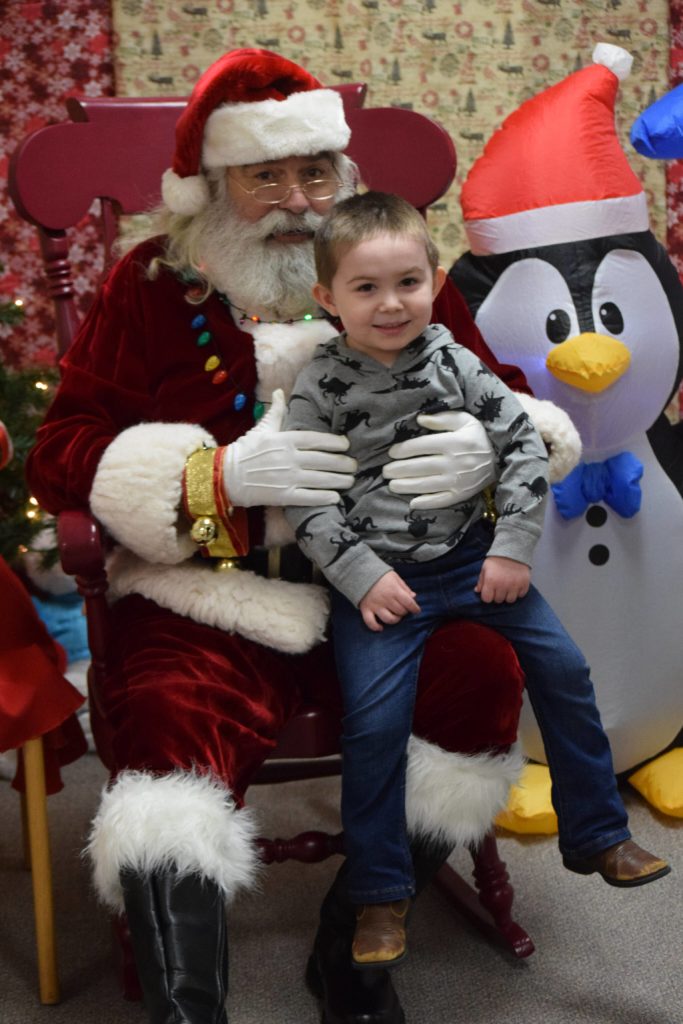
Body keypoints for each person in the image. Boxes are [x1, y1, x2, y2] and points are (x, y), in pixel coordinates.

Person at [20, 47, 640, 1024]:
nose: (296, 200)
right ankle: (189, 1002)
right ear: (211, 184)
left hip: (393, 581)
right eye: (263, 175)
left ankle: (351, 948)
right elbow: (60, 451)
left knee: (481, 676)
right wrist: (210, 478)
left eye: (313, 171)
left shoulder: (383, 266)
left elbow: (505, 394)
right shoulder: (150, 284)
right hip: (212, 591)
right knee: (168, 715)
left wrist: (481, 448)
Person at [284, 191, 671, 970]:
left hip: (474, 563)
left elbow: (525, 448)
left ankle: (596, 834)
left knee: (564, 669)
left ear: (433, 281)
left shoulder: (454, 361)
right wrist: (360, 576)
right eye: (365, 288)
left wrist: (512, 549)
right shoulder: (318, 384)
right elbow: (304, 493)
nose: (390, 304)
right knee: (373, 724)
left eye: (407, 282)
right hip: (382, 585)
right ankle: (379, 891)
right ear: (327, 298)